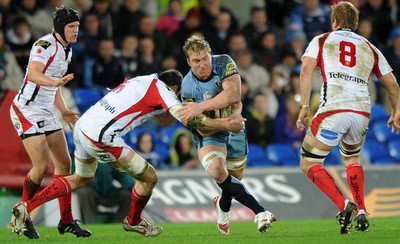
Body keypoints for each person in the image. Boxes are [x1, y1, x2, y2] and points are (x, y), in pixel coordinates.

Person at [9, 69, 246, 238]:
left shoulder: (143, 80)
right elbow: (187, 118)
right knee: (150, 177)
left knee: (82, 178)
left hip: (83, 126)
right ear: (173, 88)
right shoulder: (163, 90)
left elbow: (163, 120)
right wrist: (226, 124)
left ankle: (26, 207)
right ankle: (133, 221)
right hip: (102, 136)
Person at [296, 1, 400, 235]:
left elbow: (306, 69)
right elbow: (393, 85)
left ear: (334, 21)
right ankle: (362, 209)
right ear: (356, 23)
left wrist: (304, 104)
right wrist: (396, 112)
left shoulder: (322, 40)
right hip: (362, 113)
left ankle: (344, 203)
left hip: (334, 109)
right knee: (351, 160)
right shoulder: (370, 47)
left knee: (309, 162)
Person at [178, 35, 276, 235]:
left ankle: (222, 208)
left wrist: (201, 107)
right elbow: (201, 127)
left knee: (232, 180)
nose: (203, 64)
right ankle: (260, 212)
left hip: (236, 127)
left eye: (205, 58)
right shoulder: (187, 87)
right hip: (213, 133)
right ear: (188, 62)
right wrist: (225, 124)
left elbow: (233, 95)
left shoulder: (223, 62)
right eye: (196, 61)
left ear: (210, 54)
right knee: (217, 171)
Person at [8, 7, 91, 239]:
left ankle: (65, 220)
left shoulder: (68, 50)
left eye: (77, 27)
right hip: (27, 109)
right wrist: (54, 81)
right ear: (60, 28)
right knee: (42, 167)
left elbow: (56, 86)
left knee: (64, 165)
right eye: (72, 27)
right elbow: (33, 74)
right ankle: (23, 217)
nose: (76, 31)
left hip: (47, 111)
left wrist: (63, 109)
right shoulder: (42, 46)